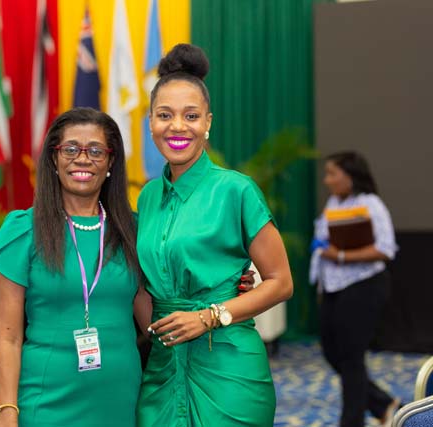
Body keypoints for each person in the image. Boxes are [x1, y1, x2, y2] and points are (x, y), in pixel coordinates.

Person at [0, 107, 256, 427]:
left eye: (96, 151)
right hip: (46, 402)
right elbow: (8, 340)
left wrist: (222, 288)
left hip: (121, 402)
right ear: (53, 159)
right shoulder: (22, 231)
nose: (82, 159)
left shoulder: (134, 231)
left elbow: (157, 324)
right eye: (71, 149)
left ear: (111, 162)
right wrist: (8, 413)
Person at [135, 43, 294, 427]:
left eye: (191, 115)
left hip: (228, 364)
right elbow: (145, 283)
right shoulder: (148, 196)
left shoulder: (236, 190)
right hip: (163, 365)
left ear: (208, 122)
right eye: (164, 115)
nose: (177, 126)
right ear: (150, 123)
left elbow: (281, 282)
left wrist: (210, 316)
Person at [310, 151, 400, 427]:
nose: (327, 180)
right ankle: (384, 404)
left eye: (332, 174)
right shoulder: (334, 203)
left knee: (351, 357)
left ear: (350, 176)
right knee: (332, 352)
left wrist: (340, 255)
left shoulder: (371, 204)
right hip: (333, 287)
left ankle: (351, 422)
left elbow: (385, 249)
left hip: (364, 285)